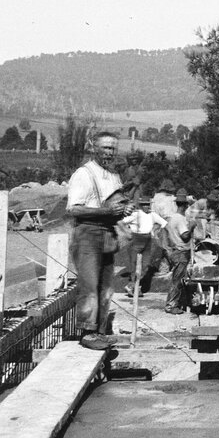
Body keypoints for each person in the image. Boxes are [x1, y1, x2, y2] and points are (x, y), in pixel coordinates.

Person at [66, 131, 135, 350]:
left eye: (113, 148)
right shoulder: (84, 174)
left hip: (106, 232)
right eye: (105, 147)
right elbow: (73, 209)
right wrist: (106, 210)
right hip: (87, 233)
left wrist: (124, 208)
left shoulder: (113, 175)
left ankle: (100, 331)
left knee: (106, 287)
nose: (109, 152)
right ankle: (87, 333)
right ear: (94, 148)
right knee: (89, 285)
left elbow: (115, 204)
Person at [161, 188, 200, 314]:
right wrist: (192, 226)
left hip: (175, 251)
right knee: (177, 281)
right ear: (185, 205)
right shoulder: (180, 219)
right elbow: (185, 236)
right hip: (181, 252)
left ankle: (177, 302)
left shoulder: (173, 218)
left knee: (177, 279)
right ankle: (171, 305)